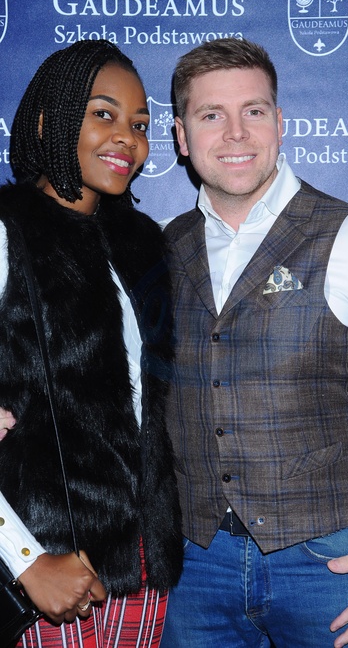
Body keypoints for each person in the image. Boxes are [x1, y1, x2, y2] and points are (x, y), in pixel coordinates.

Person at [159, 37, 348, 648]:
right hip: (193, 565)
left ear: (280, 121)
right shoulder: (159, 246)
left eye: (254, 110)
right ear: (182, 137)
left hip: (333, 564)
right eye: (211, 115)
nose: (236, 133)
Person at [0, 39, 182, 648]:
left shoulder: (145, 244)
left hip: (141, 570)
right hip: (42, 573)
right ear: (48, 122)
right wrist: (26, 561)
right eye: (104, 114)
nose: (127, 138)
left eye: (140, 124)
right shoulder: (6, 230)